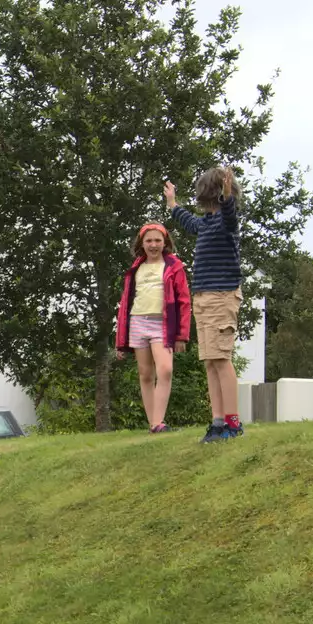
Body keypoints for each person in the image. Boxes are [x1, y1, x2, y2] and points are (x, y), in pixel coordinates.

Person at [166, 166, 244, 443]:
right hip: (204, 298)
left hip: (222, 296)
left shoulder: (225, 220)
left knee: (221, 359)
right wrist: (173, 204)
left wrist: (226, 194)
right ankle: (218, 422)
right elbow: (189, 222)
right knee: (211, 362)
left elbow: (230, 214)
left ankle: (233, 424)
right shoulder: (207, 223)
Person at [114, 222, 190, 432]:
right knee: (146, 374)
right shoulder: (136, 268)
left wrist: (181, 335)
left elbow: (184, 301)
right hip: (138, 322)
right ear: (142, 243)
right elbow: (125, 304)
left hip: (162, 324)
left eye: (157, 240)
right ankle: (154, 423)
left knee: (165, 370)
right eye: (149, 241)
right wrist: (120, 342)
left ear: (165, 242)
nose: (153, 244)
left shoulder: (174, 266)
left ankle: (159, 422)